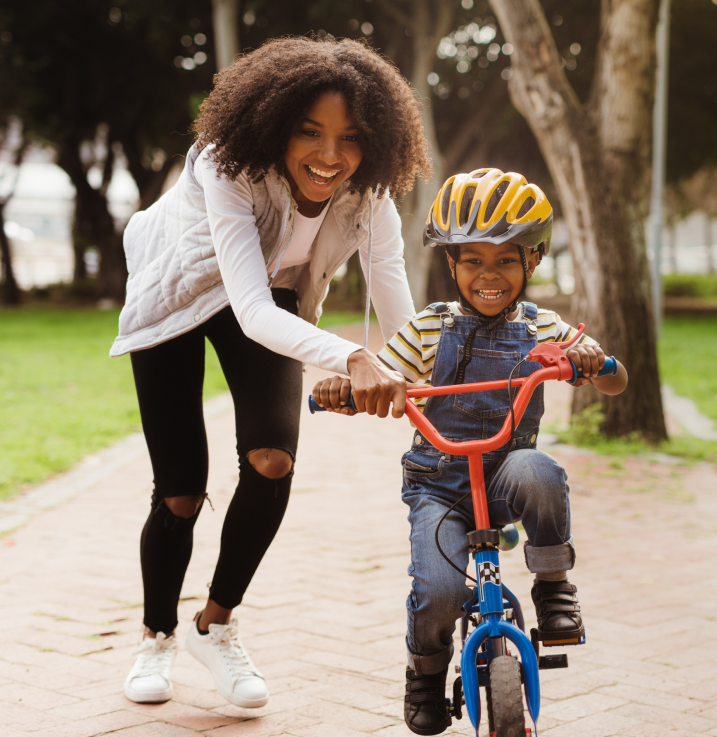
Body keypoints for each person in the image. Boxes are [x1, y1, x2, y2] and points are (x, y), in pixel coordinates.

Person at [113, 37, 431, 708]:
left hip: (270, 296)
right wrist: (350, 354)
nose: (329, 155)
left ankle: (214, 624)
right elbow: (250, 308)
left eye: (349, 139)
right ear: (274, 126)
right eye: (308, 132)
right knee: (179, 491)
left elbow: (391, 287)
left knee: (271, 458)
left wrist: (419, 368)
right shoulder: (225, 166)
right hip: (177, 295)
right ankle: (156, 633)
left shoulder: (369, 194)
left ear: (372, 142)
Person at [312, 168, 628, 735]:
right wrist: (348, 387)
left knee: (541, 470)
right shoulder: (431, 327)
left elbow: (616, 381)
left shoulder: (544, 329)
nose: (489, 275)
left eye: (506, 260)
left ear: (531, 262)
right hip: (440, 484)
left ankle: (553, 587)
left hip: (506, 473)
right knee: (436, 592)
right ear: (452, 264)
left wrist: (592, 362)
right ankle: (426, 674)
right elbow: (383, 373)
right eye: (473, 260)